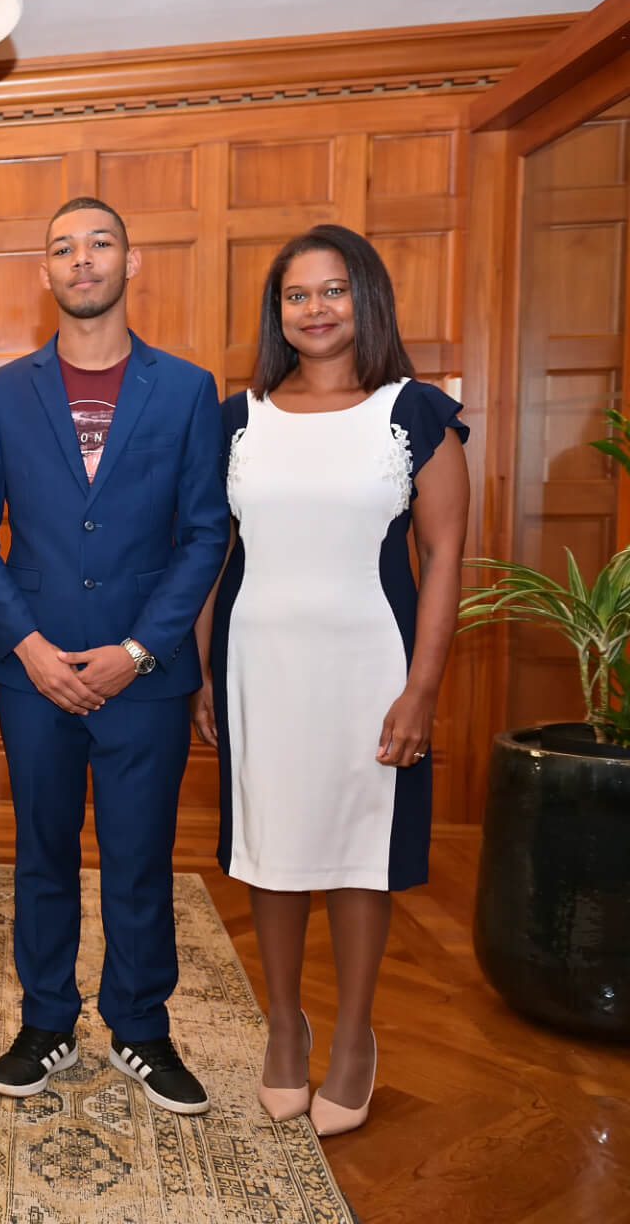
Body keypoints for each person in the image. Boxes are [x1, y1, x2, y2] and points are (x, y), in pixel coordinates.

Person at [0, 198, 230, 1114]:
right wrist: (27, 645)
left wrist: (140, 650)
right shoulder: (2, 392)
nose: (83, 259)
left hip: (144, 677)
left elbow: (204, 532)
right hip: (34, 673)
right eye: (64, 248)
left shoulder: (186, 389)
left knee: (139, 857)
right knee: (41, 854)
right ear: (46, 273)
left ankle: (141, 1028)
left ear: (129, 262)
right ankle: (47, 1023)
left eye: (100, 243)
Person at [194, 224, 468, 1136]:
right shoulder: (238, 418)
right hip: (259, 665)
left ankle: (353, 1036)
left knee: (358, 856)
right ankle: (285, 1026)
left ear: (367, 299)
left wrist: (421, 689)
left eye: (333, 290)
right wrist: (201, 671)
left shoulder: (414, 412)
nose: (315, 309)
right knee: (269, 852)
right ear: (277, 312)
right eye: (296, 295)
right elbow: (211, 554)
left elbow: (444, 555)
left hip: (370, 668)